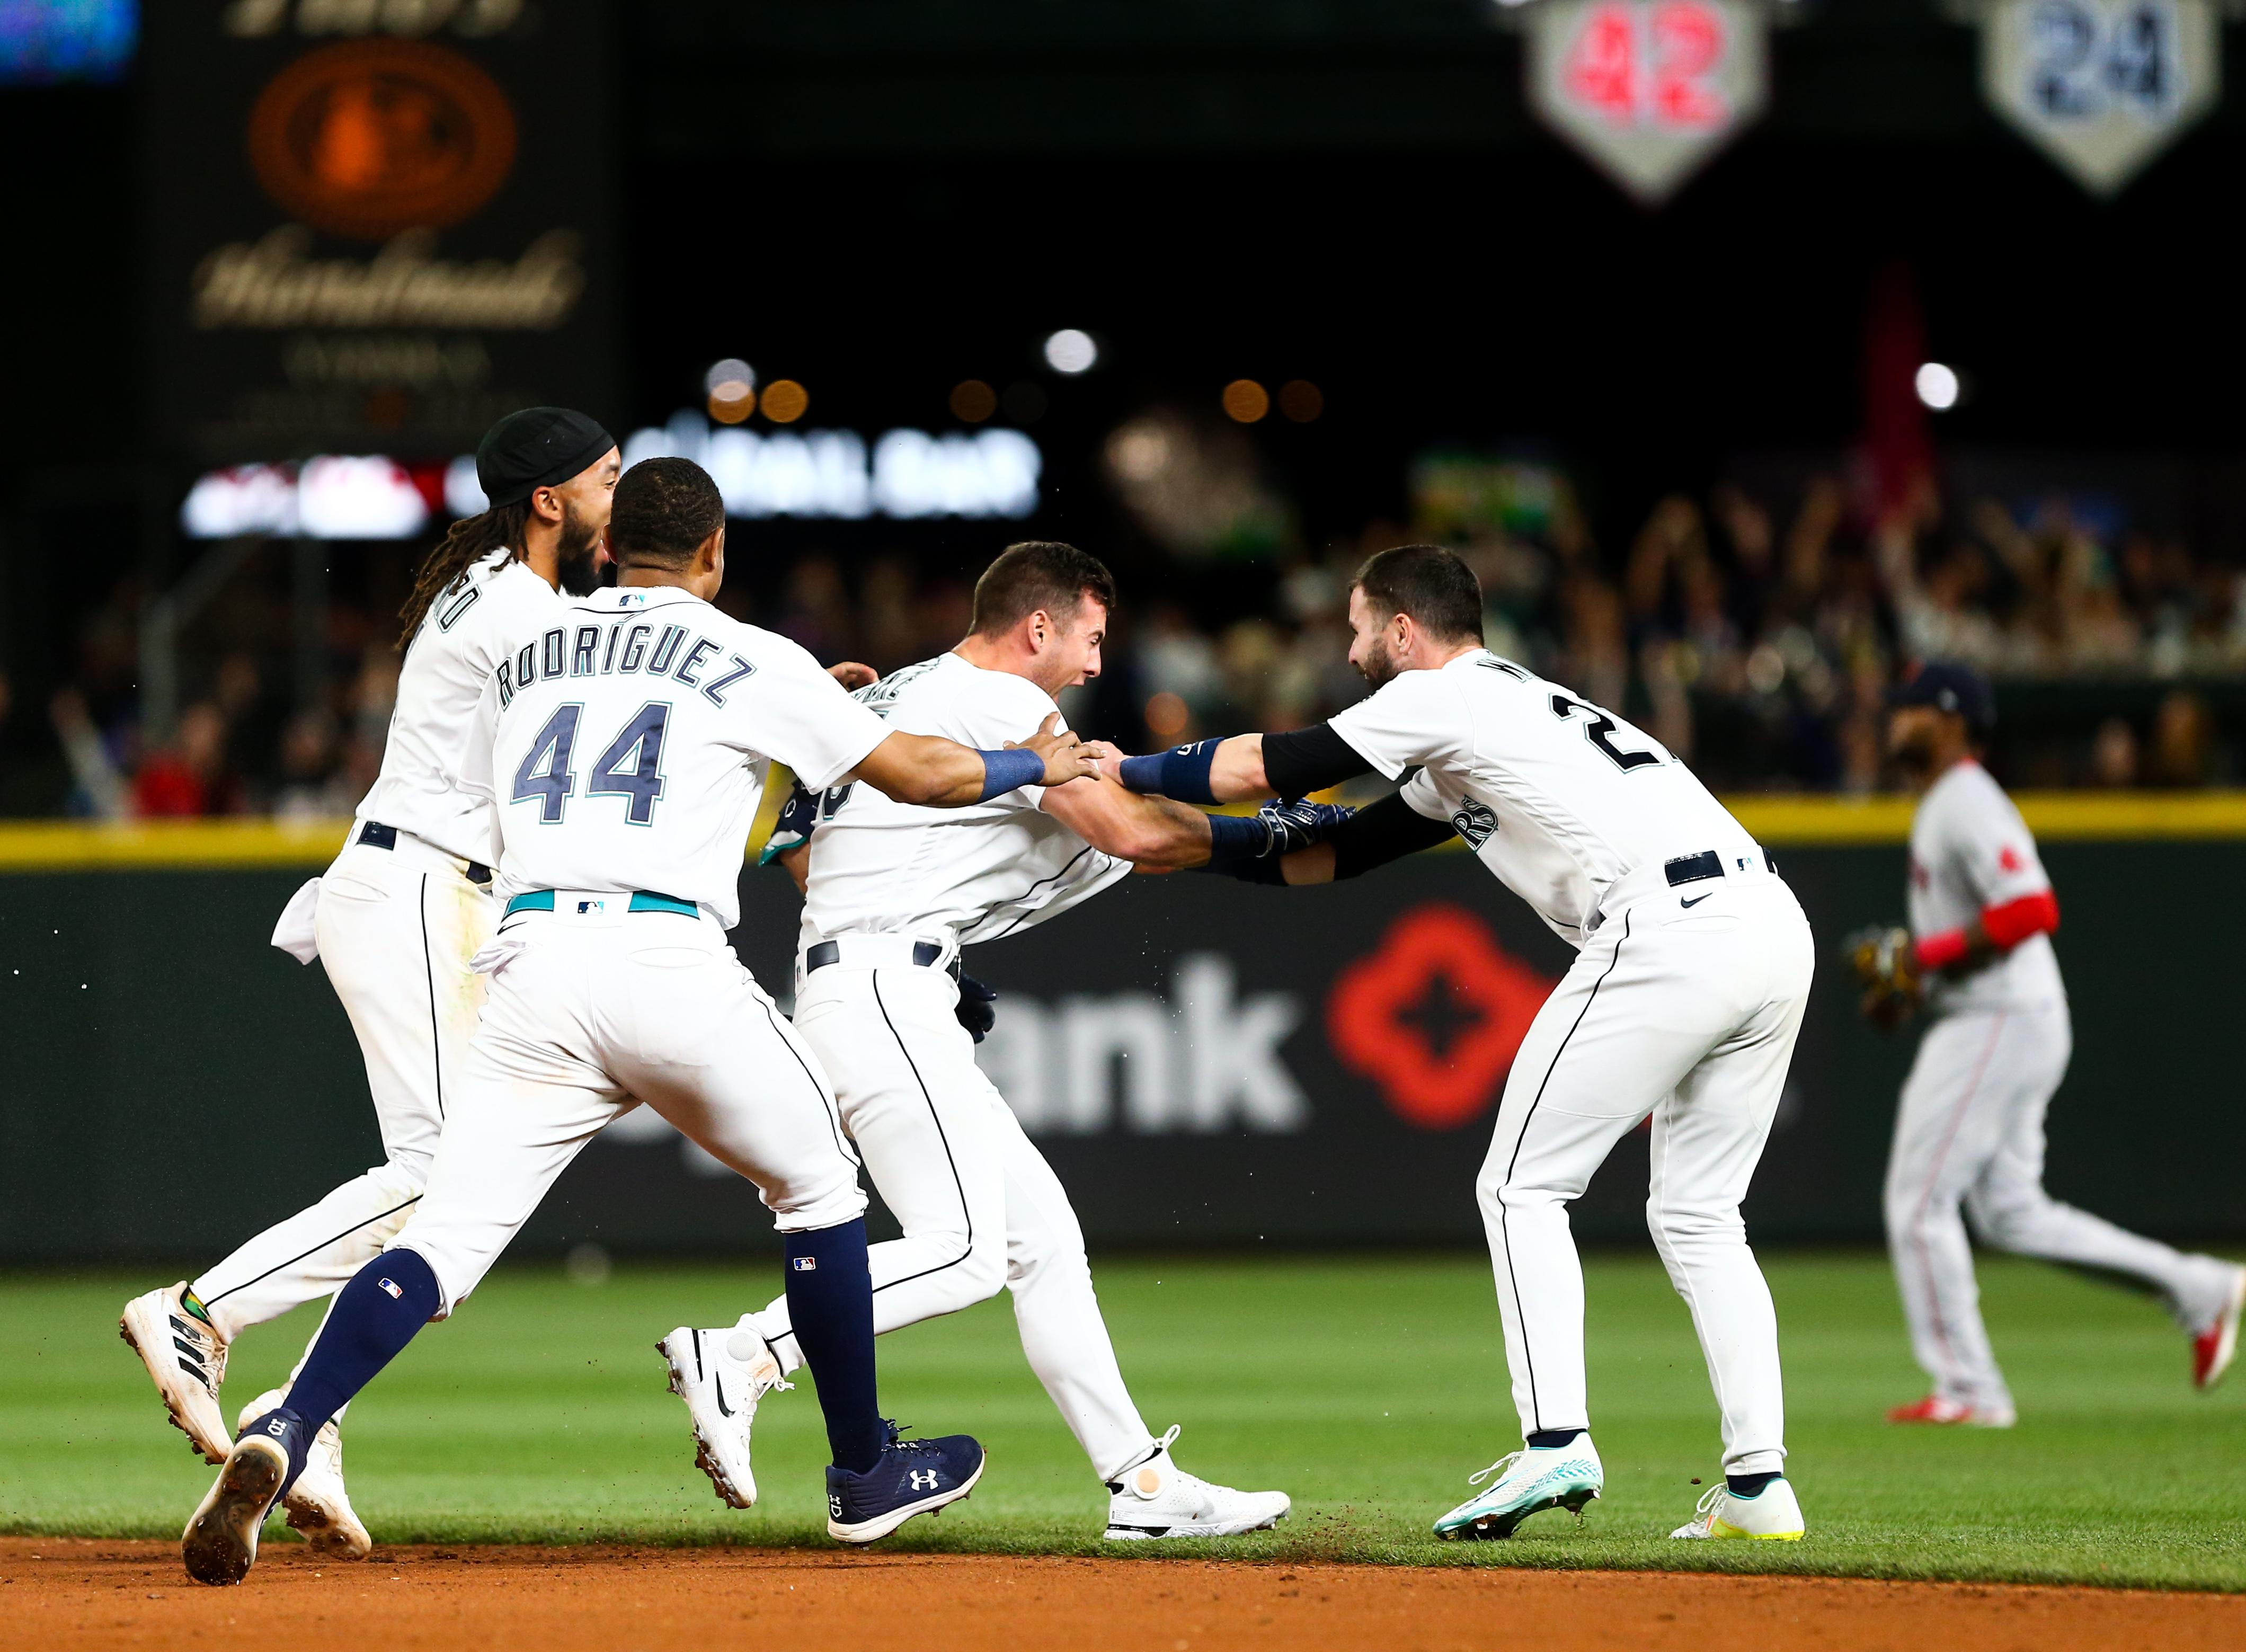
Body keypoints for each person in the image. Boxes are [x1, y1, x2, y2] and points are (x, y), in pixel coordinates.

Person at [178, 457, 1102, 1586]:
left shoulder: (530, 648)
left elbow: (502, 779)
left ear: (609, 548)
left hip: (528, 962)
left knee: (440, 1239)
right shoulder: (755, 653)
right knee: (818, 1193)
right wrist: (1031, 757)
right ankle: (863, 1469)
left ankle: (291, 1422)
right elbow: (913, 770)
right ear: (714, 554)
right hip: (667, 962)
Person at [1099, 543, 1817, 1543]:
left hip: (1670, 926)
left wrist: (1119, 764)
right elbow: (1337, 848)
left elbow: (1275, 765)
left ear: (1404, 629)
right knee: (1700, 1216)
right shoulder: (1489, 720)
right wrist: (1192, 843)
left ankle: (1557, 1439)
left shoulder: (1449, 693)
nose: (1350, 650)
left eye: (1359, 628)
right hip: (1769, 923)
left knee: (1520, 1186)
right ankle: (1757, 1488)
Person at [659, 541, 1321, 1540]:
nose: (1097, 665)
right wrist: (1267, 835)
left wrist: (928, 931)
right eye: (1090, 639)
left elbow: (798, 859)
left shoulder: (893, 697)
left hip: (866, 983)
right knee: (965, 1251)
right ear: (1039, 627)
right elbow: (1133, 835)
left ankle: (1141, 1486)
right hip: (886, 992)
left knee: (1042, 1239)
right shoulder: (1001, 701)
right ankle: (747, 1351)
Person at [122, 406, 621, 1558]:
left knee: (454, 1196)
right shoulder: (517, 608)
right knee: (450, 1180)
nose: (619, 496)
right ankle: (200, 1313)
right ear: (548, 499)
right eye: (604, 479)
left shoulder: (510, 589)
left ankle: (309, 1421)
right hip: (423, 883)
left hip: (429, 886)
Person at [1851, 662, 2245, 1425]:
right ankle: (2202, 1290)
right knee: (2012, 1214)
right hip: (1999, 1011)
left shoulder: (1965, 798)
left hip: (2000, 1016)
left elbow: (2033, 907)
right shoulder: (1943, 803)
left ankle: (1969, 1388)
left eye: (1915, 708)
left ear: (1956, 721)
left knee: (1917, 1198)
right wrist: (1909, 989)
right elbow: (1971, 935)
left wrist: (1919, 960)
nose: (1899, 719)